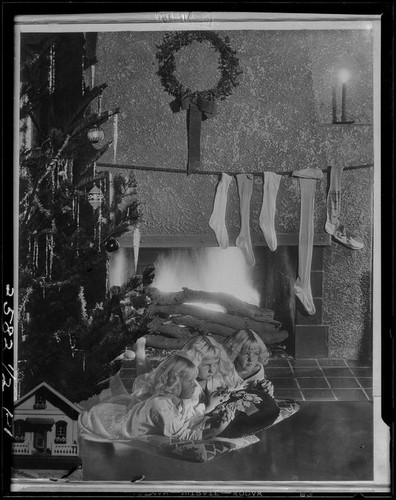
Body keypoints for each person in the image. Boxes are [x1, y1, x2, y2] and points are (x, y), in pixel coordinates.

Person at [79, 354, 234, 442]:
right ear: (175, 382)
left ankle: (114, 379)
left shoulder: (175, 400)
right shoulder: (161, 405)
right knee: (92, 412)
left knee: (121, 398)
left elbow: (184, 421)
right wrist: (217, 429)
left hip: (128, 415)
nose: (195, 385)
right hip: (111, 425)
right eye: (190, 380)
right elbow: (183, 435)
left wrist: (210, 418)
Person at [181, 335, 242, 412]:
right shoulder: (185, 388)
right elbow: (188, 422)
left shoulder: (218, 377)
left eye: (216, 363)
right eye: (206, 365)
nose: (212, 370)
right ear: (193, 362)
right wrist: (211, 406)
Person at [223, 329, 274, 395]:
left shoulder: (258, 370)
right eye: (246, 353)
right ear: (235, 353)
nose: (251, 359)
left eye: (255, 354)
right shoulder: (224, 371)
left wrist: (266, 390)